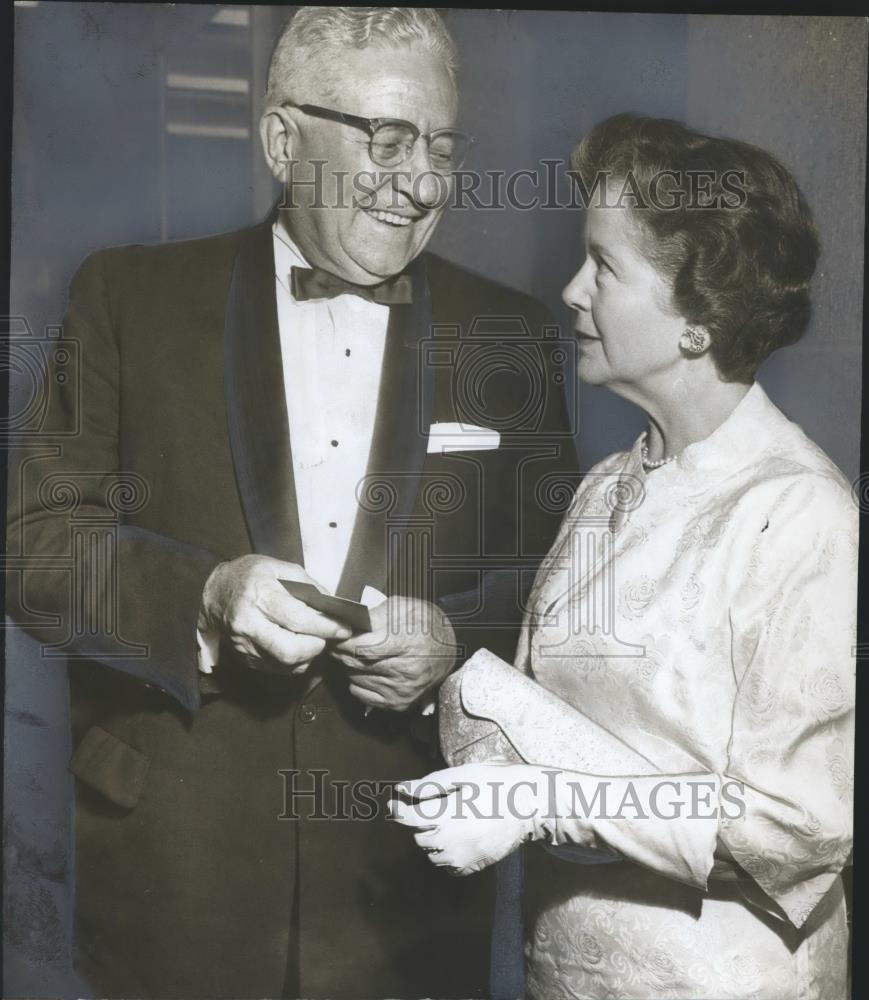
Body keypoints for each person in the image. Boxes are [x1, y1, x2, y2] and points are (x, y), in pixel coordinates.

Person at [6, 8, 578, 998]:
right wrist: (201, 599)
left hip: (404, 892)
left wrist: (457, 639)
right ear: (281, 139)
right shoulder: (128, 300)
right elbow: (36, 547)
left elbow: (568, 586)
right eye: (386, 140)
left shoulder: (509, 333)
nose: (422, 181)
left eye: (441, 144)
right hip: (172, 884)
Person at [393, 114, 856, 999]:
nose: (570, 290)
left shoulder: (798, 513)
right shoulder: (606, 484)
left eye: (604, 266)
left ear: (698, 319)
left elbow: (796, 830)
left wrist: (537, 801)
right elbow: (538, 712)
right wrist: (490, 777)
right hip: (560, 970)